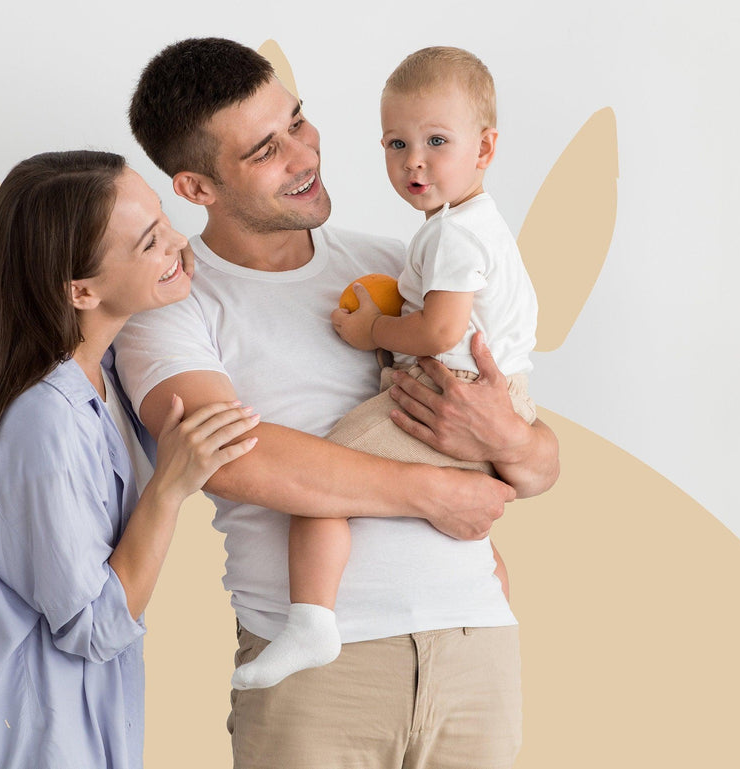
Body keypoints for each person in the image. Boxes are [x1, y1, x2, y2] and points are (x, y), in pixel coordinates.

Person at [114, 38, 559, 769]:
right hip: (319, 672)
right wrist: (435, 493)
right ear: (197, 188)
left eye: (298, 120)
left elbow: (540, 464)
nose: (304, 154)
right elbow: (229, 458)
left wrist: (507, 437)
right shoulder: (173, 305)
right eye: (266, 148)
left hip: (475, 642)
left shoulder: (403, 260)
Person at [0, 150, 259, 769]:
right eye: (152, 241)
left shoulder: (102, 379)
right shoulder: (44, 419)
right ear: (81, 290)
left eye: (164, 219)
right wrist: (168, 492)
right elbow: (95, 628)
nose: (179, 244)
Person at [236, 46, 540, 690]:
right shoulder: (461, 228)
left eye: (436, 141)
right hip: (492, 393)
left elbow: (440, 331)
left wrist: (372, 329)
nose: (414, 162)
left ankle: (312, 622)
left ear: (484, 149)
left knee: (323, 483)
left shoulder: (454, 235)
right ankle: (495, 604)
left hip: (456, 388)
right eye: (396, 144)